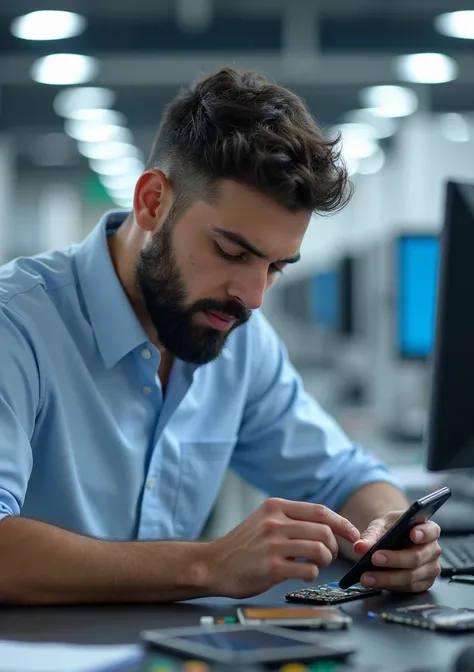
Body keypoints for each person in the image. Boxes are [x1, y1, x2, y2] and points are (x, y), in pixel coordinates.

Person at [0, 67, 441, 605]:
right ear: (153, 202)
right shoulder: (17, 323)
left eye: (276, 265)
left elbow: (344, 475)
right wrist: (209, 564)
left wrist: (392, 531)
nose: (253, 296)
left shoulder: (239, 341)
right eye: (233, 253)